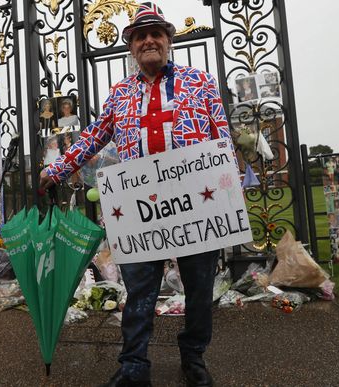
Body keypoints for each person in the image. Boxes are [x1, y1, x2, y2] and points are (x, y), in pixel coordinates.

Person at [39, 3, 229, 386]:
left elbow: (220, 135)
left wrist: (228, 189)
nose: (148, 40)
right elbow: (93, 136)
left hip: (196, 201)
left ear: (169, 40)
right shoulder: (120, 93)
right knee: (140, 289)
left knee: (198, 288)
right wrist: (56, 168)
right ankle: (134, 366)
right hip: (141, 208)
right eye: (140, 36)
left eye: (156, 33)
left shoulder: (201, 83)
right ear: (131, 46)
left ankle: (193, 358)